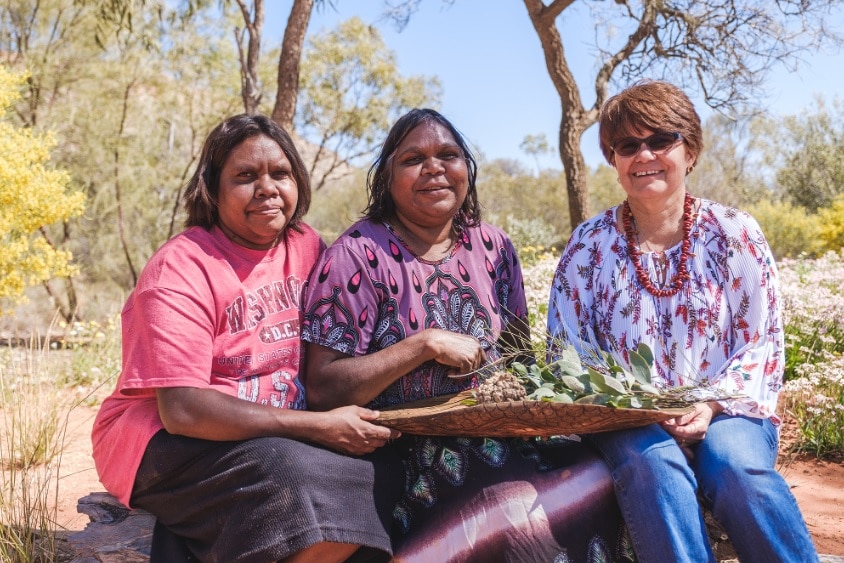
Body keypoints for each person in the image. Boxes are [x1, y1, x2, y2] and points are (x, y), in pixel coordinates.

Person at [301, 108, 625, 561]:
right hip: (404, 454)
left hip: (502, 433)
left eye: (448, 155)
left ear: (466, 171)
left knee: (598, 474)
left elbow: (518, 358)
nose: (434, 168)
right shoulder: (357, 256)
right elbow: (322, 388)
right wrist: (422, 344)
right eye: (413, 158)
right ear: (387, 178)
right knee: (511, 512)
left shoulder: (492, 247)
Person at [91, 114, 403, 563]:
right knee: (285, 473)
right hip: (161, 439)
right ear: (212, 191)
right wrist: (319, 427)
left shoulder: (307, 246)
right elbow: (183, 409)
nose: (267, 188)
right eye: (245, 176)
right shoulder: (181, 267)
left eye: (280, 173)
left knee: (382, 468)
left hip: (268, 436)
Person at [546, 79, 819, 563]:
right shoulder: (588, 247)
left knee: (739, 469)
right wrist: (637, 406)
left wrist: (710, 406)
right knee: (656, 464)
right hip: (622, 417)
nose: (644, 154)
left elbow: (762, 342)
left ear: (689, 150)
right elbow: (566, 351)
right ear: (614, 160)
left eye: (660, 140)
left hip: (727, 408)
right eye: (627, 145)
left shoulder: (735, 234)